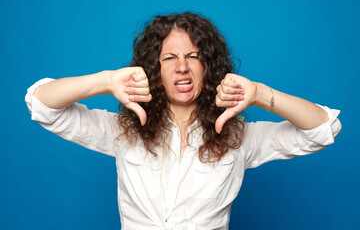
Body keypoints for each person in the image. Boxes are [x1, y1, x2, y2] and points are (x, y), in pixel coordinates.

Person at [25, 12, 341, 229]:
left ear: (208, 66)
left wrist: (259, 94)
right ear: (154, 70)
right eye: (169, 57)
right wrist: (106, 81)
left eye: (193, 56)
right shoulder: (123, 131)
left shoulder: (240, 137)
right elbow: (41, 104)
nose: (181, 67)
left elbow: (324, 128)